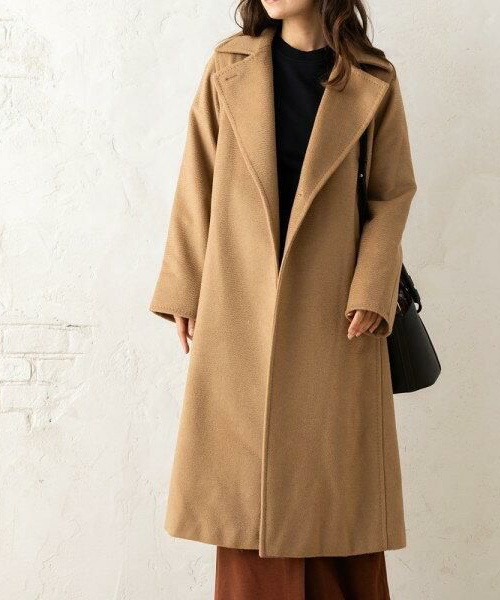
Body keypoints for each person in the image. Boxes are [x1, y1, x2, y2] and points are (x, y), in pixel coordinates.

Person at [148, 0, 417, 597]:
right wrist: (185, 287)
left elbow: (392, 193)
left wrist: (374, 285)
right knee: (246, 505)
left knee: (338, 508)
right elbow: (197, 178)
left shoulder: (372, 79)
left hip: (337, 318)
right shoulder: (229, 67)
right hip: (240, 309)